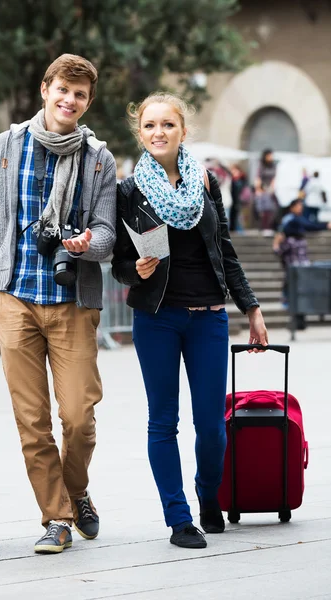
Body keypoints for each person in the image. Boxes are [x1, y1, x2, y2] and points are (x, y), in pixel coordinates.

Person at [0, 54, 117, 555]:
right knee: (32, 419)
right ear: (45, 90)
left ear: (88, 102)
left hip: (72, 301)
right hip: (15, 298)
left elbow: (109, 235)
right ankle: (57, 517)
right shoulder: (8, 146)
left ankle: (76, 489)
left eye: (80, 95)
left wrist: (87, 242)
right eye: (62, 90)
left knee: (79, 417)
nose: (70, 100)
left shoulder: (98, 159)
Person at [111, 92, 268, 550]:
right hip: (156, 319)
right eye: (149, 126)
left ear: (183, 130)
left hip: (208, 319)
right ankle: (179, 519)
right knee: (163, 422)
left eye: (167, 124)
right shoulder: (128, 191)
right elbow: (119, 260)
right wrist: (131, 270)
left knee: (212, 426)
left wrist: (251, 308)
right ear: (140, 133)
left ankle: (207, 495)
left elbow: (224, 248)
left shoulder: (205, 181)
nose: (158, 132)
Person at [273, 198, 331, 326]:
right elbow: (281, 233)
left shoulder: (298, 224)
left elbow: (310, 226)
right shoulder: (290, 221)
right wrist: (277, 246)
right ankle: (289, 305)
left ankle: (297, 317)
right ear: (292, 207)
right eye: (298, 206)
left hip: (300, 265)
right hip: (293, 265)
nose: (301, 208)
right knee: (293, 288)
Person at [254, 149, 278, 235]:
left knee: (271, 209)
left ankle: (269, 227)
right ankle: (264, 227)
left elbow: (274, 177)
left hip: (270, 190)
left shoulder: (273, 166)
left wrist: (272, 188)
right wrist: (259, 189)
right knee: (263, 210)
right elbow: (258, 178)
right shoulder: (261, 166)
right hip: (262, 190)